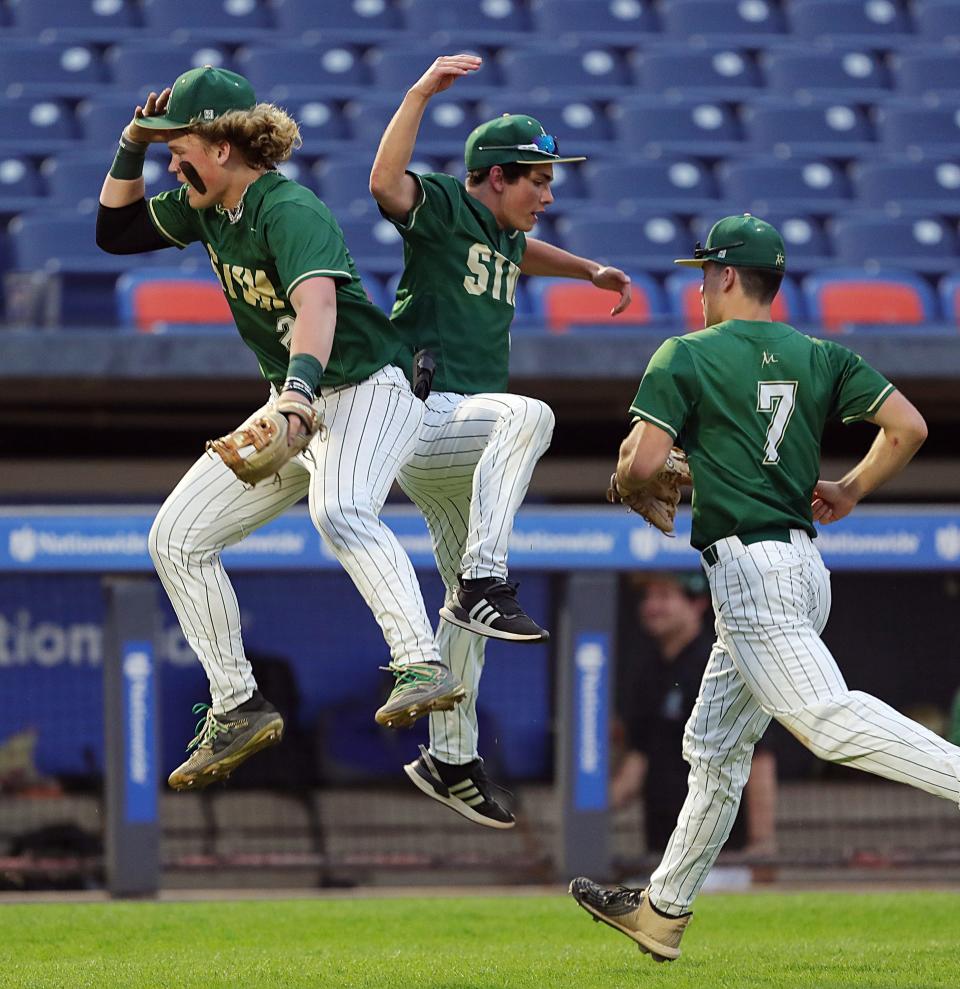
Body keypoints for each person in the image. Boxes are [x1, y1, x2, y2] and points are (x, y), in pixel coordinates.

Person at [569, 214, 960, 962]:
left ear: (722, 276)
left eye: (702, 275)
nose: (699, 289)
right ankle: (662, 910)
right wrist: (849, 488)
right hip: (803, 567)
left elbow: (646, 463)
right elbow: (907, 426)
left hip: (750, 570)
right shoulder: (818, 352)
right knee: (712, 745)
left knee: (826, 720)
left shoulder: (685, 352)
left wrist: (626, 472)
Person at [96, 66, 465, 791]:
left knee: (339, 508)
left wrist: (295, 396)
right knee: (175, 537)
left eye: (182, 147)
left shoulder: (287, 207)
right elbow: (115, 231)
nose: (174, 162)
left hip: (367, 385)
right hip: (298, 397)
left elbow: (318, 306)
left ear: (225, 148)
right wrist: (130, 142)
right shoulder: (207, 207)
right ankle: (237, 702)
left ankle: (421, 659)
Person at [368, 54, 632, 828]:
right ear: (493, 177)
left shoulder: (505, 233)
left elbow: (523, 254)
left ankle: (450, 759)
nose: (548, 195)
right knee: (530, 415)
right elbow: (387, 184)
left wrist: (586, 271)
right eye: (537, 180)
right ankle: (487, 579)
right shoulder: (449, 206)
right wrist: (418, 91)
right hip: (421, 415)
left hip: (458, 444)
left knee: (461, 620)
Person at [613, 572, 777, 859]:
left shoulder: (722, 667)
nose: (652, 606)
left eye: (664, 596)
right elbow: (638, 760)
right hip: (662, 849)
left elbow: (758, 757)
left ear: (699, 603)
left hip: (722, 855)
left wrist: (761, 843)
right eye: (648, 597)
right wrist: (582, 814)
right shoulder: (647, 672)